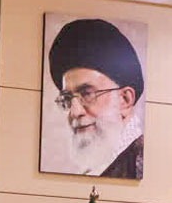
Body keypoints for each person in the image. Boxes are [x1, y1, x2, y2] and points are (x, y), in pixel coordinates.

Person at [48, 18, 145, 179]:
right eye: (67, 98)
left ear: (125, 100)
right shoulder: (100, 167)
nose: (75, 112)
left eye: (87, 94)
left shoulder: (139, 167)